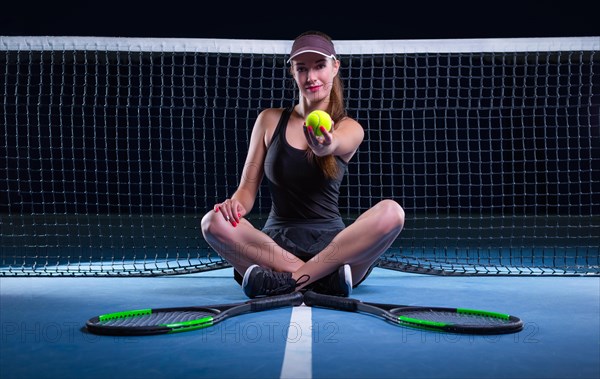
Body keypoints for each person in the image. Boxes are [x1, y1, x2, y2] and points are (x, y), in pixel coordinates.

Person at [201, 30, 405, 298]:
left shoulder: (349, 127)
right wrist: (234, 206)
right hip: (274, 246)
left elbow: (337, 143)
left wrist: (325, 146)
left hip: (333, 249)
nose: (311, 77)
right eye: (302, 68)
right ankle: (322, 281)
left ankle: (288, 281)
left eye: (319, 66)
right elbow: (246, 191)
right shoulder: (268, 120)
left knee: (392, 213)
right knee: (212, 222)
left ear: (335, 67)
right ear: (292, 72)